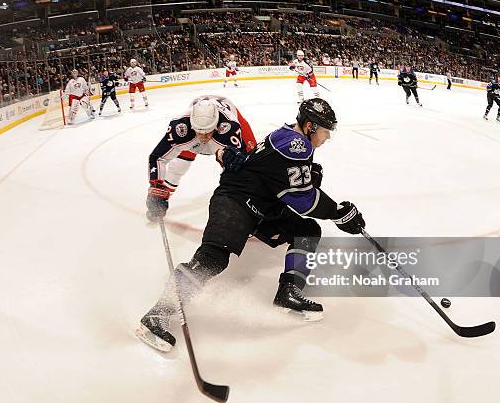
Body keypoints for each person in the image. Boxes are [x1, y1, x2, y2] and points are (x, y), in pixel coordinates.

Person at [136, 98, 366, 352]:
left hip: (261, 205)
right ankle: (157, 313)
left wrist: (308, 176)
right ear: (310, 126)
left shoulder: (290, 136)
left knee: (307, 231)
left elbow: (279, 180)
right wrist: (339, 213)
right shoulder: (296, 144)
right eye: (325, 131)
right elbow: (301, 199)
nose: (327, 137)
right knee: (214, 258)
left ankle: (288, 291)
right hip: (235, 200)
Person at [146, 95, 257, 222]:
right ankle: (163, 199)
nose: (203, 137)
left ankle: (253, 206)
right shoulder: (180, 128)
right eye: (200, 132)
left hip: (223, 130)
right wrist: (157, 189)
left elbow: (238, 168)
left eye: (207, 131)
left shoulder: (230, 127)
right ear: (192, 124)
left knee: (251, 163)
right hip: (202, 133)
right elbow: (157, 157)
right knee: (178, 166)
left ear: (216, 125)